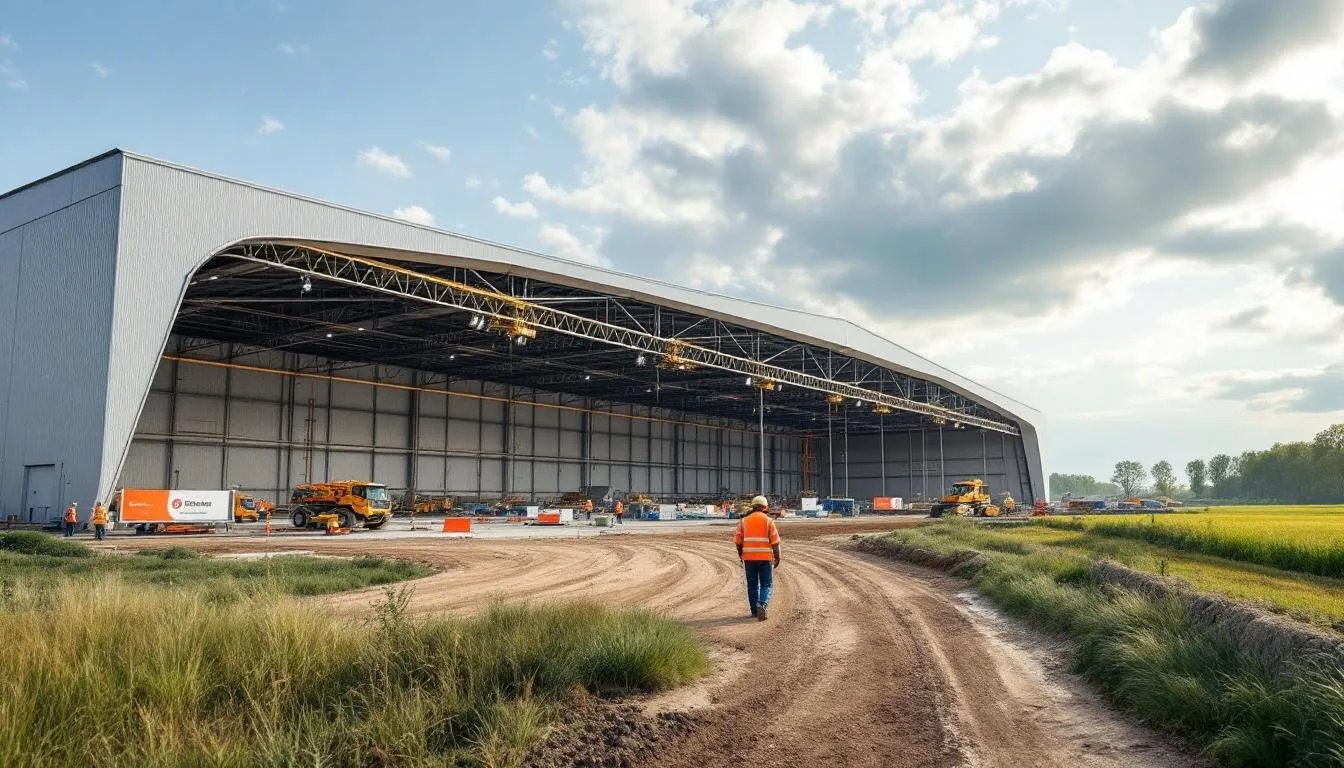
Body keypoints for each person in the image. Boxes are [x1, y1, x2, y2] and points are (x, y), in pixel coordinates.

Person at [734, 495, 781, 621]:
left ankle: (755, 611)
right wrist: (777, 558)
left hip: (748, 558)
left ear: (753, 506)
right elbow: (775, 544)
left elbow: (738, 543)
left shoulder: (743, 521)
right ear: (765, 507)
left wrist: (741, 556)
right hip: (765, 558)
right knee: (766, 584)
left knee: (752, 585)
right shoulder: (769, 521)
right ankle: (763, 604)